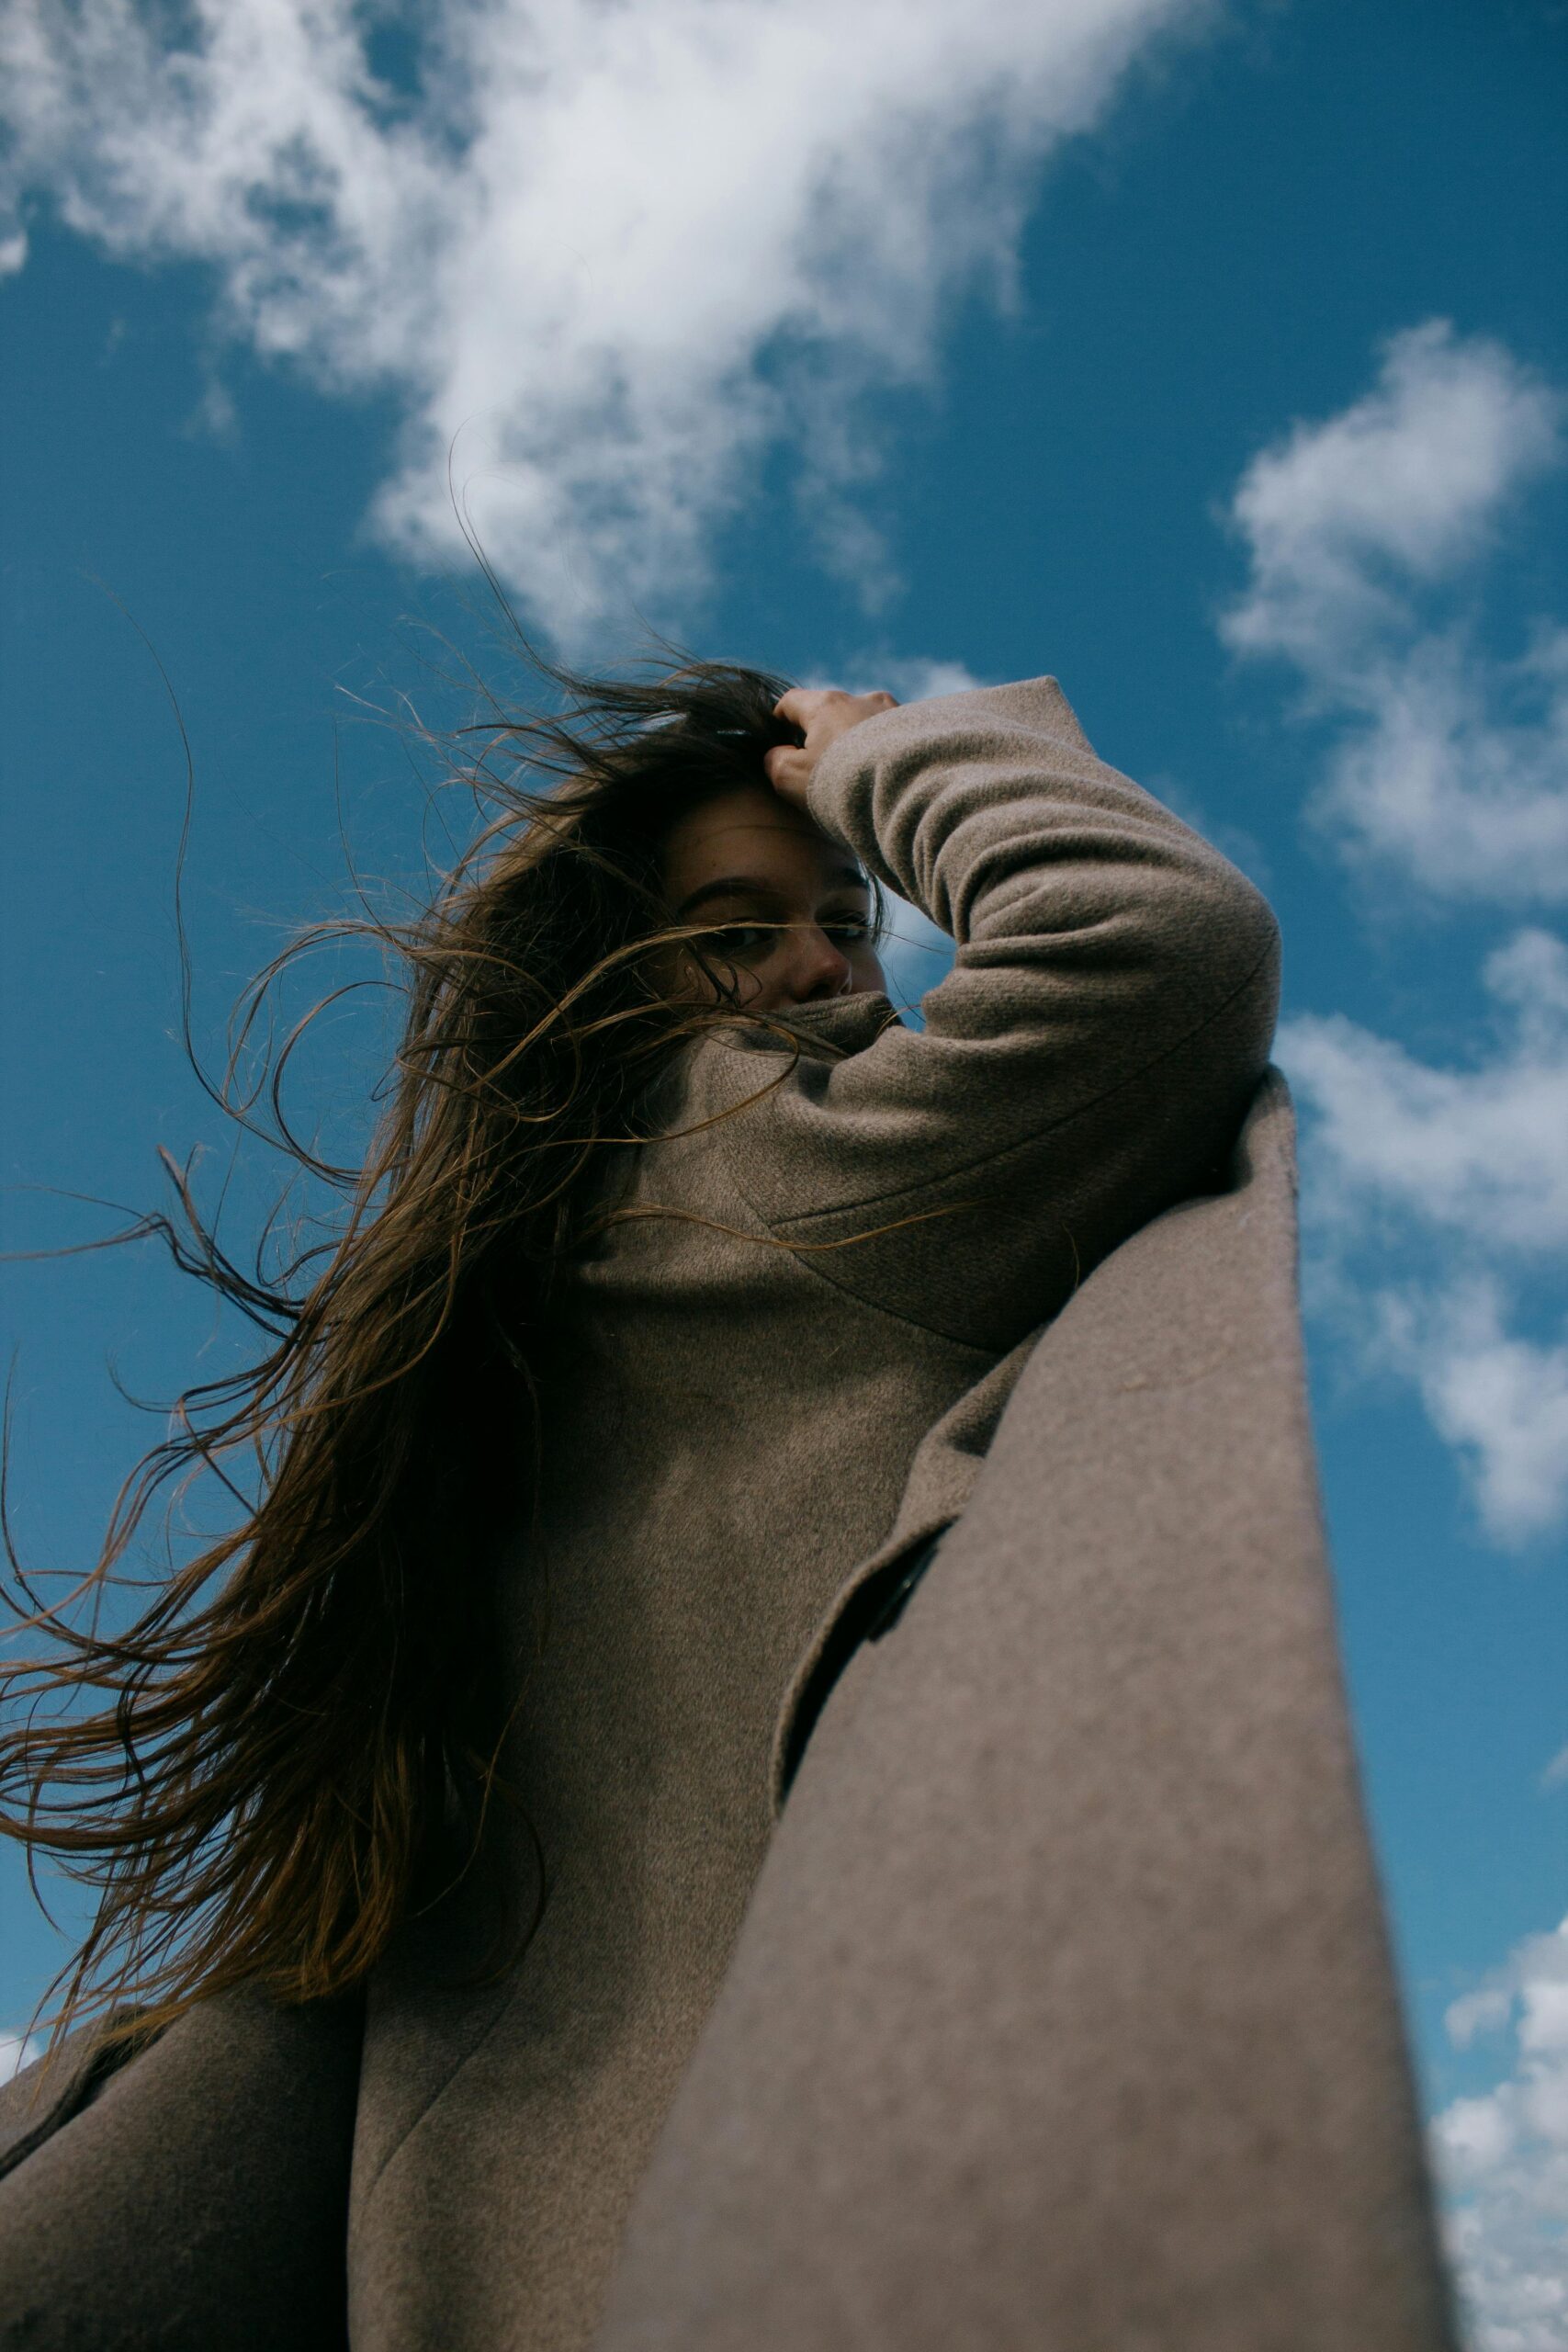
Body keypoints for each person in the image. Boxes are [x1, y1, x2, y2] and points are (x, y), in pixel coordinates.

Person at [0, 659, 1282, 2348]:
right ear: (613, 990)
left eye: (846, 913)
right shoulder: (762, 1153)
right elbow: (1154, 944)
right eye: (733, 932)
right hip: (770, 2206)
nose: (823, 961)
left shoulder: (561, 1266)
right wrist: (892, 757)